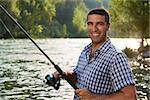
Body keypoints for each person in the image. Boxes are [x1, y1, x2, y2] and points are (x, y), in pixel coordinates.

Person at [53, 8, 137, 100]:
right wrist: (64, 74)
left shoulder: (116, 57)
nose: (94, 29)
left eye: (99, 24)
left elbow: (130, 96)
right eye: (90, 24)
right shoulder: (85, 51)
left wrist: (94, 97)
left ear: (108, 26)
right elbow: (79, 77)